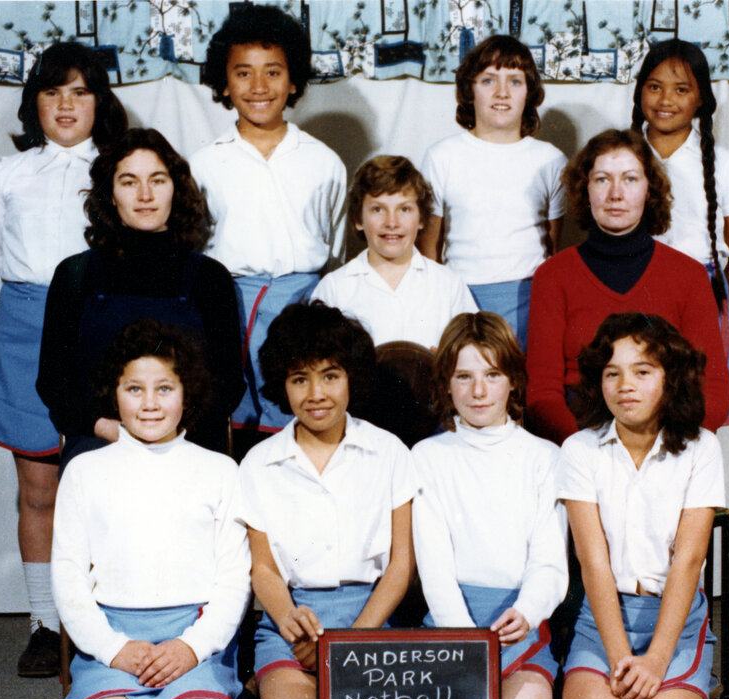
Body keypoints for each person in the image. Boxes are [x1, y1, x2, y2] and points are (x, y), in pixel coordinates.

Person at [0, 41, 127, 676]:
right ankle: (45, 622)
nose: (66, 105)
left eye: (80, 91)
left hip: (98, 325)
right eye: (52, 91)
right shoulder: (5, 177)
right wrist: (23, 323)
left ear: (100, 102)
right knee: (40, 487)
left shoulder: (117, 170)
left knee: (108, 479)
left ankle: (112, 614)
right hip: (25, 323)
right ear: (33, 101)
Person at [52, 319, 250, 699]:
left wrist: (192, 647)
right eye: (134, 389)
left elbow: (235, 579)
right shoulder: (84, 471)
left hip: (194, 635)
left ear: (187, 394)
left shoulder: (220, 471)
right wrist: (114, 649)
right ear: (114, 394)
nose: (149, 405)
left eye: (165, 389)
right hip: (113, 635)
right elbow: (67, 578)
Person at [236, 301, 416, 699]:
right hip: (294, 620)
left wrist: (352, 641)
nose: (316, 393)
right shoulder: (259, 463)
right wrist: (289, 621)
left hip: (370, 618)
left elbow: (400, 566)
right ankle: (270, 695)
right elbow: (263, 568)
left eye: (330, 376)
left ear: (352, 377)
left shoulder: (389, 452)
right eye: (300, 379)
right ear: (283, 385)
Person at [558, 312, 723, 699]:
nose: (625, 385)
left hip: (674, 617)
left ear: (670, 379)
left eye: (642, 371)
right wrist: (619, 659)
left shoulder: (701, 448)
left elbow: (689, 560)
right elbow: (592, 563)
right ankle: (612, 690)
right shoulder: (579, 450)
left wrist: (654, 661)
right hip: (603, 619)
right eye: (612, 373)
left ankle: (686, 684)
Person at [37, 127, 244, 469]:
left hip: (189, 441)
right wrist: (111, 430)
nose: (145, 194)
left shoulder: (211, 278)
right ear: (110, 194)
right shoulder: (75, 275)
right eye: (130, 182)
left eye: (158, 180)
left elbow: (228, 384)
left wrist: (171, 432)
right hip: (103, 441)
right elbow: (53, 382)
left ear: (175, 190)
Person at [412, 312, 567, 699]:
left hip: (518, 624)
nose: (478, 392)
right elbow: (435, 567)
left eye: (492, 375)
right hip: (451, 625)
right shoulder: (428, 457)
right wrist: (463, 641)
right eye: (464, 377)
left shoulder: (544, 458)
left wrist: (528, 610)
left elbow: (550, 561)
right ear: (446, 384)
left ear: (513, 382)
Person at [191, 4, 347, 436]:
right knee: (234, 425)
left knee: (301, 420)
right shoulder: (204, 164)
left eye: (273, 72)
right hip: (230, 309)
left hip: (302, 306)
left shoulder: (323, 162)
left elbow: (334, 248)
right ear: (224, 81)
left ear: (294, 79)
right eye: (243, 73)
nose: (259, 86)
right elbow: (196, 247)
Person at [526, 129, 729, 446]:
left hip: (669, 444)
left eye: (630, 179)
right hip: (581, 445)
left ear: (649, 189)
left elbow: (713, 388)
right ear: (585, 189)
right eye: (602, 179)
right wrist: (589, 451)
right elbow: (542, 393)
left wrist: (667, 446)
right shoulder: (553, 276)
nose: (616, 194)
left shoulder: (688, 275)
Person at [632, 39, 729, 425]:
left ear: (701, 98)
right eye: (654, 86)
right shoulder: (621, 155)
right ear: (639, 93)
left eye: (681, 89)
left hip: (699, 295)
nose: (665, 99)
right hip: (632, 290)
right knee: (636, 408)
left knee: (695, 420)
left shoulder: (724, 164)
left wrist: (708, 310)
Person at [418, 34, 566, 349]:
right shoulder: (442, 156)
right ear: (469, 90)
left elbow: (553, 247)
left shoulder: (550, 160)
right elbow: (429, 248)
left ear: (530, 93)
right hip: (461, 297)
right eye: (488, 81)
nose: (501, 93)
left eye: (515, 81)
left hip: (529, 300)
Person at [311, 155, 477, 349]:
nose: (391, 222)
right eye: (378, 209)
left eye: (404, 209)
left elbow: (471, 354)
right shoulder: (334, 289)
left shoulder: (448, 285)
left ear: (422, 218)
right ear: (358, 219)